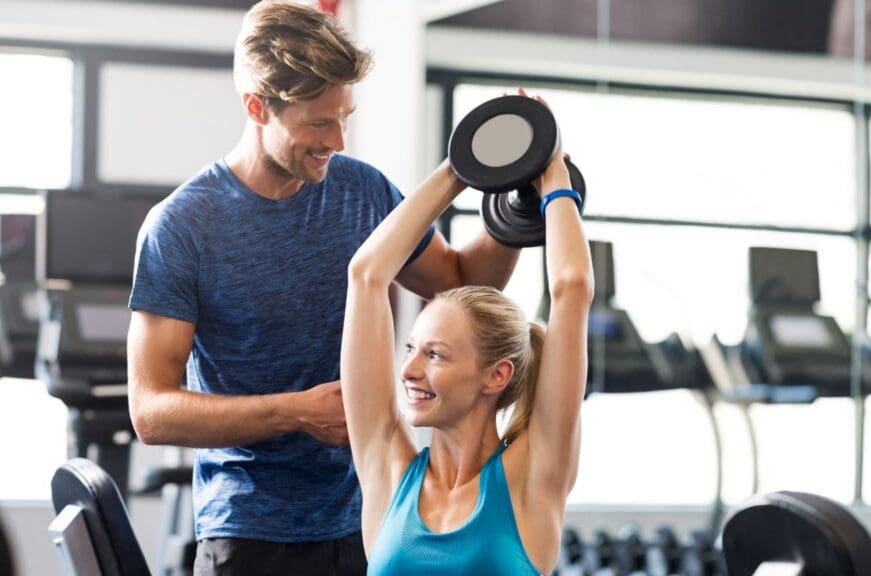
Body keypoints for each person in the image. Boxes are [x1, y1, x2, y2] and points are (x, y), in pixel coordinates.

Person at [126, 2, 519, 574]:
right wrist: (294, 412)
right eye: (317, 123)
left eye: (344, 117)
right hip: (251, 533)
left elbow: (460, 281)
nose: (336, 139)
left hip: (372, 519)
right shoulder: (182, 226)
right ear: (257, 107)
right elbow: (151, 410)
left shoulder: (363, 192)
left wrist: (515, 212)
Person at [340, 94, 593, 575]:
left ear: (495, 375)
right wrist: (463, 164)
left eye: (435, 355)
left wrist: (553, 173)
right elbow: (367, 275)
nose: (409, 369)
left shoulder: (534, 476)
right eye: (412, 348)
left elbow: (572, 288)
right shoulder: (388, 472)